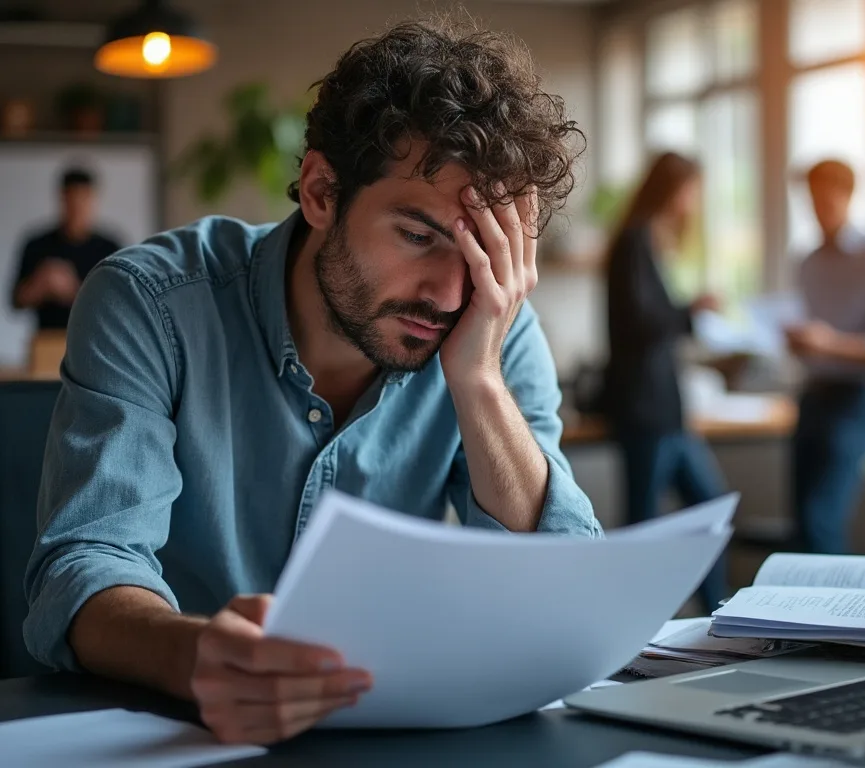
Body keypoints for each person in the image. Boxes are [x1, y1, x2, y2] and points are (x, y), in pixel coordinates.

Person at [24, 20, 601, 745]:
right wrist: (198, 655)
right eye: (420, 236)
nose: (452, 294)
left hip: (397, 737)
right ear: (322, 191)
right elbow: (84, 563)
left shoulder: (492, 326)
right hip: (177, 734)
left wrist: (479, 381)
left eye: (483, 254)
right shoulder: (152, 304)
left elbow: (566, 590)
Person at [602, 152, 729, 613]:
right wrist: (691, 310)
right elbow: (639, 323)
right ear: (672, 190)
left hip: (664, 410)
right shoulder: (635, 242)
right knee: (646, 526)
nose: (694, 202)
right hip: (645, 409)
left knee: (707, 510)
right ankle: (630, 625)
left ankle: (719, 613)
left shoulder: (650, 242)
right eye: (691, 190)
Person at [787, 159, 865, 554]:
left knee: (820, 519)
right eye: (811, 200)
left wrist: (830, 343)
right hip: (812, 397)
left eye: (825, 199)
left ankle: (834, 612)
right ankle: (792, 614)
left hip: (857, 400)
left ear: (847, 195)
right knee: (801, 525)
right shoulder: (808, 262)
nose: (818, 210)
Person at [11, 167, 121, 330]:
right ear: (62, 198)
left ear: (93, 200)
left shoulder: (110, 248)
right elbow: (16, 302)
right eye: (72, 200)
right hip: (48, 341)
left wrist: (73, 290)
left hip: (95, 340)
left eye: (83, 200)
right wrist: (40, 284)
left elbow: (120, 305)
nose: (77, 208)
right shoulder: (36, 244)